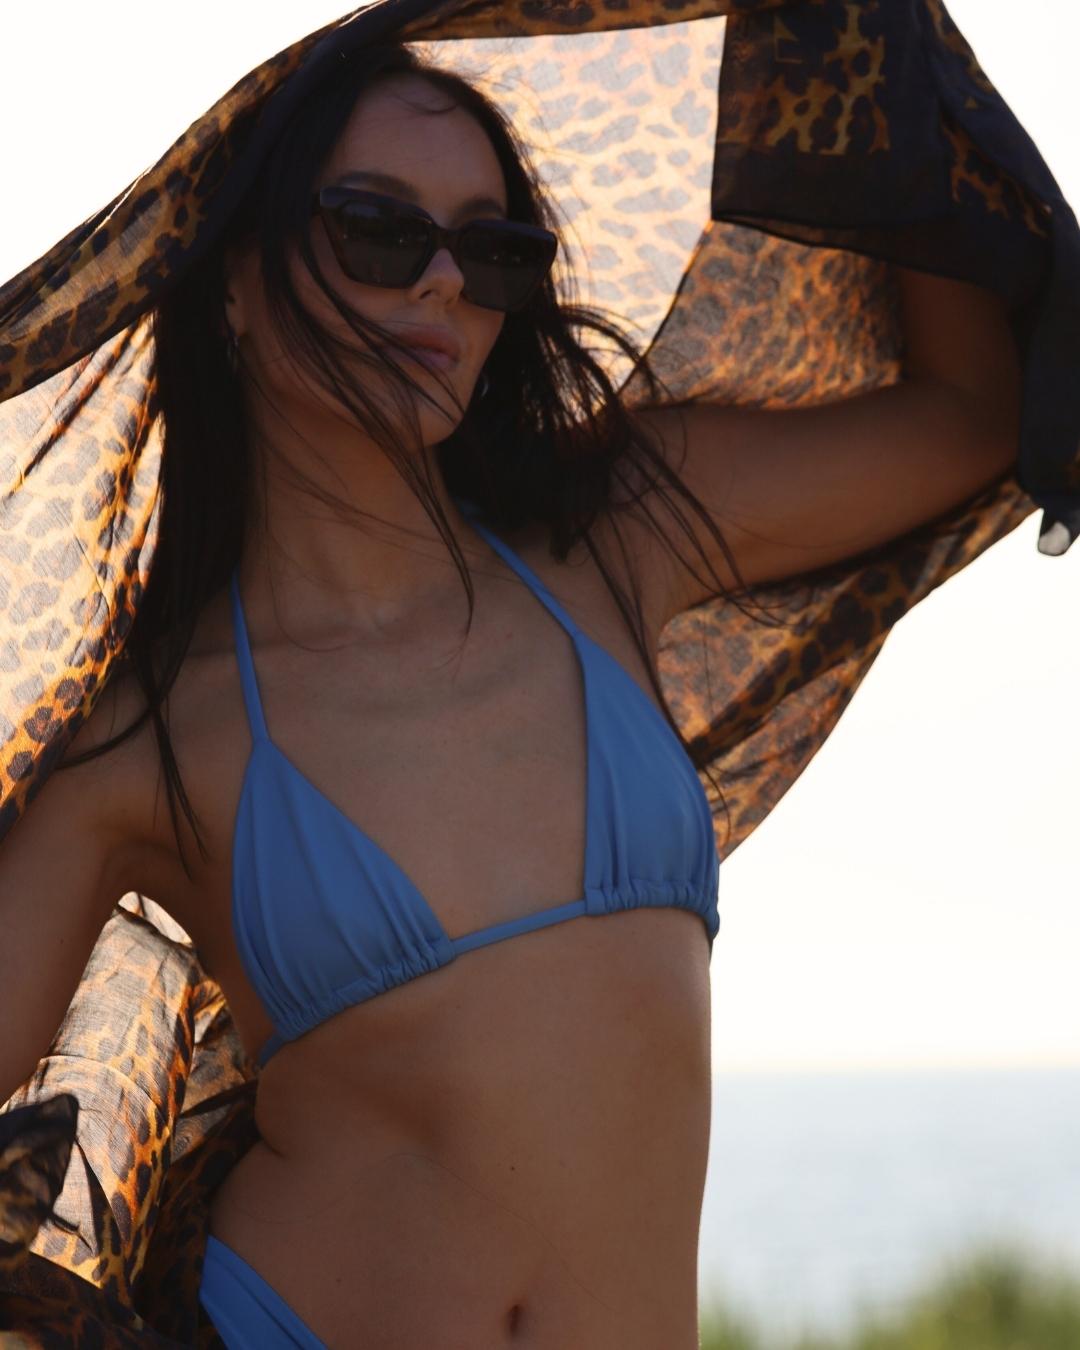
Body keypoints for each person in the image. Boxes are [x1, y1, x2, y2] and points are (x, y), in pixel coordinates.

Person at [0, 21, 1054, 1350]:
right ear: (236, 285)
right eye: (379, 232)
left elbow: (970, 416)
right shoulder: (150, 738)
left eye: (493, 252)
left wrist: (866, 65)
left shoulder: (618, 534)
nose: (443, 285)